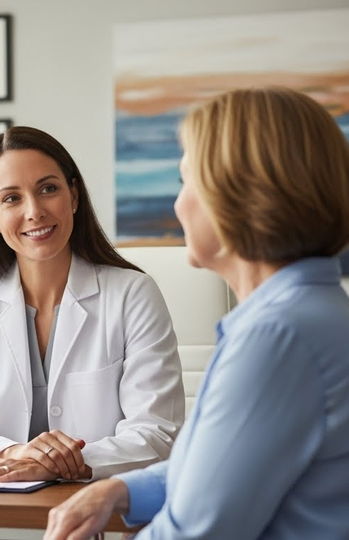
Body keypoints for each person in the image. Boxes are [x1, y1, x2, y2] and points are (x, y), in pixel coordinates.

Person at [44, 87, 349, 539]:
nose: (177, 204)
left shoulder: (277, 338)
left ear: (238, 196)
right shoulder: (311, 313)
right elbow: (217, 467)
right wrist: (120, 491)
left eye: (187, 180)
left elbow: (198, 531)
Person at [0, 126, 185, 482]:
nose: (34, 211)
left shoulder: (132, 294)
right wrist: (16, 454)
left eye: (48, 189)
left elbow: (157, 433)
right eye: (11, 198)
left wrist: (67, 461)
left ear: (73, 196)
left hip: (97, 508)